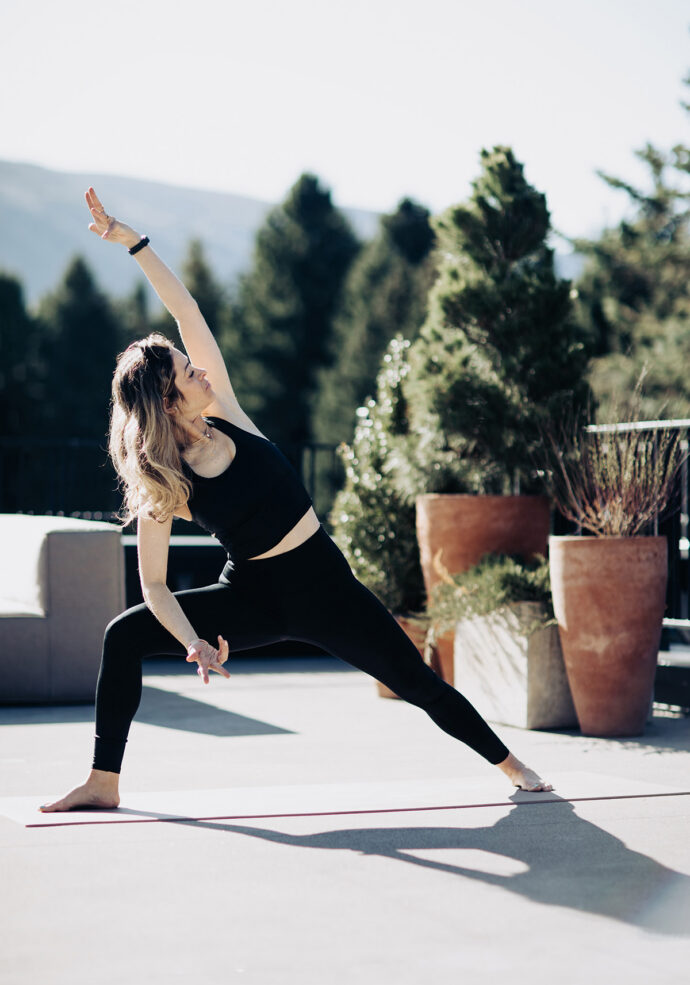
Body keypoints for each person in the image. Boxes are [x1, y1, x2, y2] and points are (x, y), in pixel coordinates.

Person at [40, 187, 552, 812]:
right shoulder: (162, 480)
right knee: (124, 635)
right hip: (251, 596)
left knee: (415, 679)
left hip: (324, 585)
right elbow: (154, 586)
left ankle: (513, 765)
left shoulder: (227, 412)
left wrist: (136, 244)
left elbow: (186, 311)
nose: (199, 370)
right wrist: (193, 643)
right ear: (170, 402)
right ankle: (104, 782)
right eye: (184, 372)